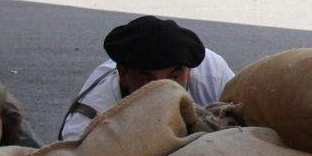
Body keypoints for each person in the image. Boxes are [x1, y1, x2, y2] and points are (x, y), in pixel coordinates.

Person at [58, 17, 234, 141]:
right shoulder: (92, 118)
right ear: (124, 75)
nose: (164, 89)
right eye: (148, 79)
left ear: (188, 71)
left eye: (174, 76)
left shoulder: (212, 73)